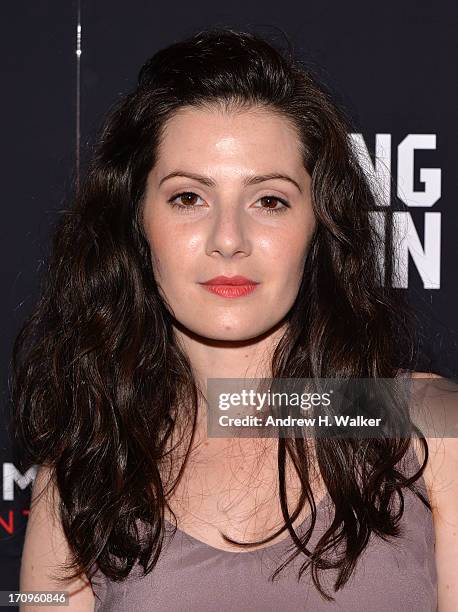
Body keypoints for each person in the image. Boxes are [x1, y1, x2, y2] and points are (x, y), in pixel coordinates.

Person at [11, 27, 457, 611]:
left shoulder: (429, 428)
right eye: (188, 198)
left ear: (319, 226)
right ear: (136, 223)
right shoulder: (83, 474)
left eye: (269, 200)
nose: (229, 239)